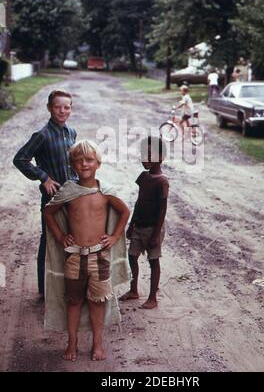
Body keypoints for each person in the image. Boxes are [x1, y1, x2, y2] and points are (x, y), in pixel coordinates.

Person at [44, 140, 130, 361]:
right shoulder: (69, 191)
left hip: (99, 257)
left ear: (98, 163)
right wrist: (61, 236)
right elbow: (49, 212)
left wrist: (114, 236)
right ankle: (71, 342)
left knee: (97, 302)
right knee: (73, 301)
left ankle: (97, 344)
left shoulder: (105, 191)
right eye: (79, 160)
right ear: (72, 164)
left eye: (89, 159)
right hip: (74, 256)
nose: (84, 164)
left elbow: (124, 212)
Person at [13, 90, 76, 298]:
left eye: (66, 107)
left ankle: (69, 285)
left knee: (72, 238)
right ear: (49, 108)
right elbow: (20, 159)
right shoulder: (42, 135)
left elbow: (74, 163)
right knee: (49, 240)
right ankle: (44, 290)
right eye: (58, 106)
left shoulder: (72, 132)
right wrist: (44, 177)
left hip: (72, 196)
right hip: (52, 199)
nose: (62, 110)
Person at [119, 136, 169, 309]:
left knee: (153, 260)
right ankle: (134, 290)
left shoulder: (162, 182)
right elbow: (139, 202)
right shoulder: (143, 177)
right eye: (143, 154)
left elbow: (162, 210)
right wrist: (131, 224)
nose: (144, 159)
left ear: (161, 158)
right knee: (132, 256)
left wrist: (156, 234)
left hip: (152, 228)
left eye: (150, 155)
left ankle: (153, 298)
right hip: (139, 225)